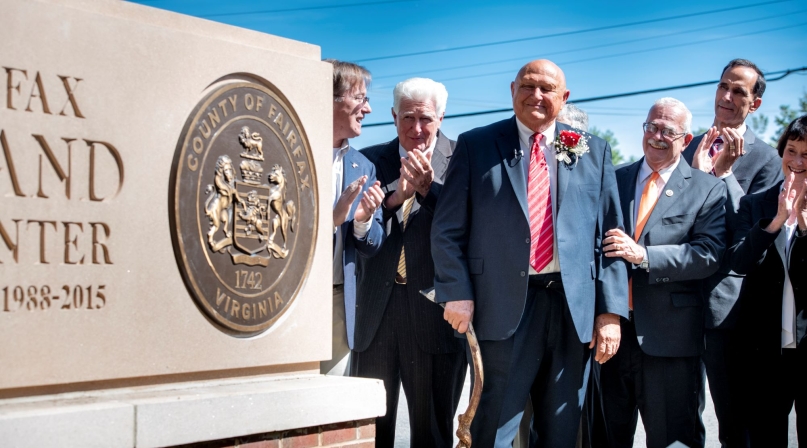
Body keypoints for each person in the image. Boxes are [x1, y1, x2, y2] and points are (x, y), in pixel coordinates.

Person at [431, 59, 628, 447]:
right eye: (527, 86)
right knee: (493, 430)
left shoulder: (590, 149)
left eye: (547, 89)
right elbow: (447, 230)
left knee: (561, 432)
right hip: (501, 309)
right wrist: (456, 290)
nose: (536, 95)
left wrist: (610, 311)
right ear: (512, 90)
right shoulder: (477, 145)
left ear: (564, 97)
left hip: (574, 314)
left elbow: (611, 237)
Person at [597, 98, 727, 448]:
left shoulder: (707, 188)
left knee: (674, 439)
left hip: (670, 340)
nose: (657, 136)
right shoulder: (614, 179)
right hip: (611, 335)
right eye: (651, 127)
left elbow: (708, 254)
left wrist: (644, 256)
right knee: (605, 437)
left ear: (686, 141)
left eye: (668, 131)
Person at [353, 77, 466, 448]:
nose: (417, 129)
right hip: (376, 314)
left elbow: (470, 229)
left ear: (442, 117)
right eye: (407, 118)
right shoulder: (368, 160)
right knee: (369, 431)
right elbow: (356, 236)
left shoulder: (464, 159)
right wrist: (390, 199)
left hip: (434, 314)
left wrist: (427, 191)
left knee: (432, 433)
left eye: (427, 119)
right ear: (393, 116)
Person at [683, 58, 783, 447]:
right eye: (723, 86)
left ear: (754, 104)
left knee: (733, 420)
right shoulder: (688, 145)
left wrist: (720, 176)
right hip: (676, 302)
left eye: (739, 91)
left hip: (728, 310)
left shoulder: (768, 159)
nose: (726, 96)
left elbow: (750, 232)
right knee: (679, 416)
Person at [729, 115, 807, 447]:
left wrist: (804, 226)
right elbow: (739, 261)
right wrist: (776, 221)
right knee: (765, 437)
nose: (798, 161)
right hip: (764, 349)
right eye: (791, 151)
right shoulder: (755, 203)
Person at [323, 59, 385, 376]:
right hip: (289, 300)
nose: (368, 109)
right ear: (328, 98)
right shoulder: (290, 152)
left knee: (331, 408)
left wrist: (361, 220)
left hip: (338, 301)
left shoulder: (364, 165)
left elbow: (371, 244)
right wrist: (331, 220)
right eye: (360, 98)